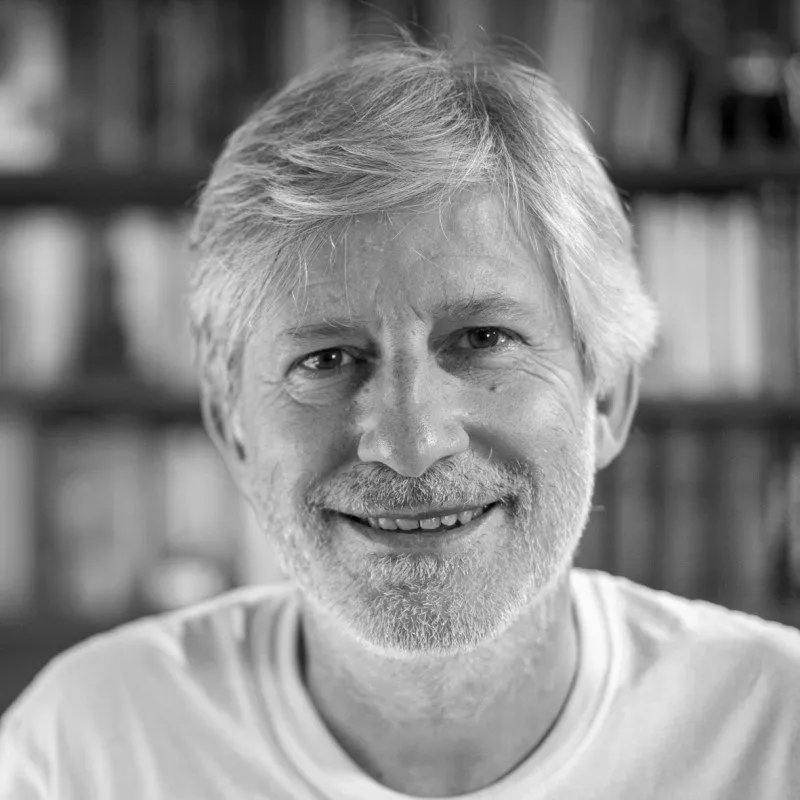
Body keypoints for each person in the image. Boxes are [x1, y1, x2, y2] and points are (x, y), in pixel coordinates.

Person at [2, 39, 799, 800]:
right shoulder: (83, 747)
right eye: (326, 358)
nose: (412, 444)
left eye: (482, 340)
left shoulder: (778, 733)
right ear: (230, 423)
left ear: (608, 396)